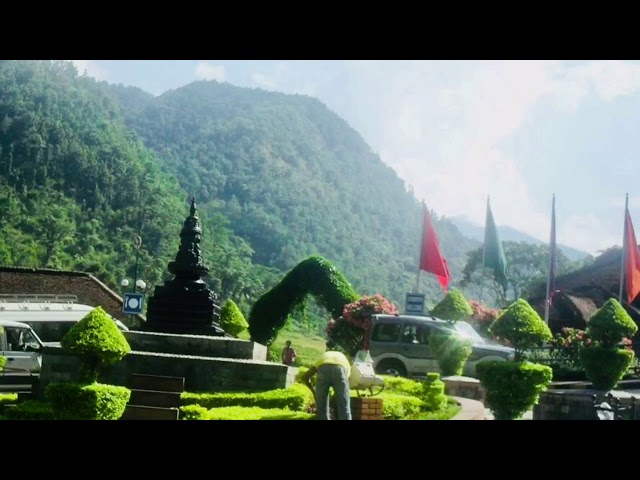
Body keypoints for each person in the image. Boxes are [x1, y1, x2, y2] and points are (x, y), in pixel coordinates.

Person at [301, 344, 352, 420]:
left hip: (323, 369)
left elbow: (305, 376)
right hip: (340, 369)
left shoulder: (324, 356)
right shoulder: (345, 360)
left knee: (321, 407)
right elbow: (346, 381)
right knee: (344, 405)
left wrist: (315, 393)